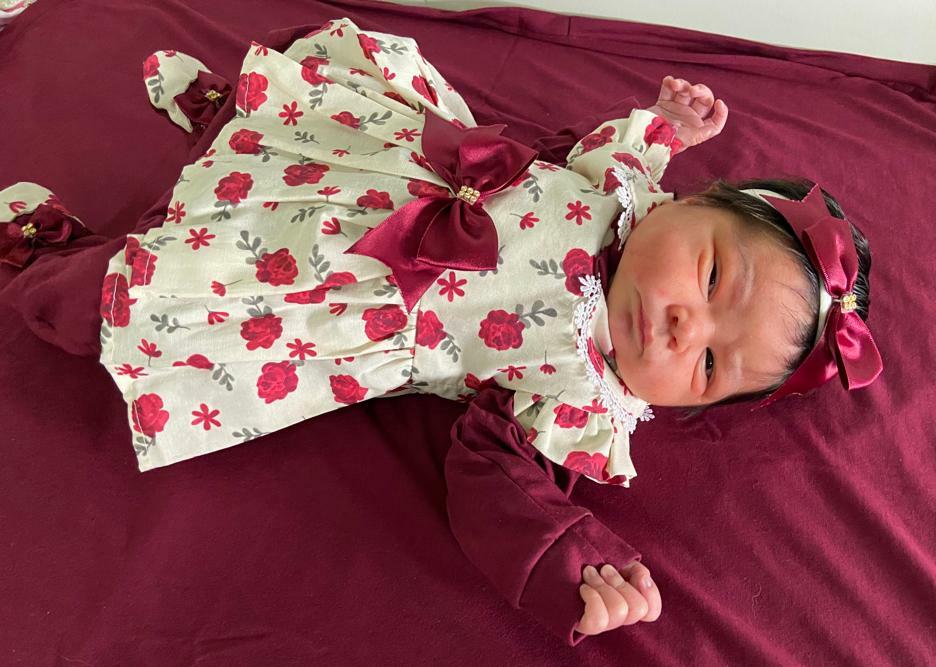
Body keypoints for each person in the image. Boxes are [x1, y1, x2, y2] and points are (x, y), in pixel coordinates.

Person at [0, 17, 882, 645]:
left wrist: (569, 562)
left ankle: (58, 256)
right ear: (687, 202)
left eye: (711, 365)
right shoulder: (621, 187)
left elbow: (496, 481)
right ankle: (235, 119)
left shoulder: (578, 388)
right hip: (385, 159)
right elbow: (575, 155)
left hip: (335, 281)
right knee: (311, 89)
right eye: (714, 275)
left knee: (126, 310)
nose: (685, 327)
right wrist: (667, 126)